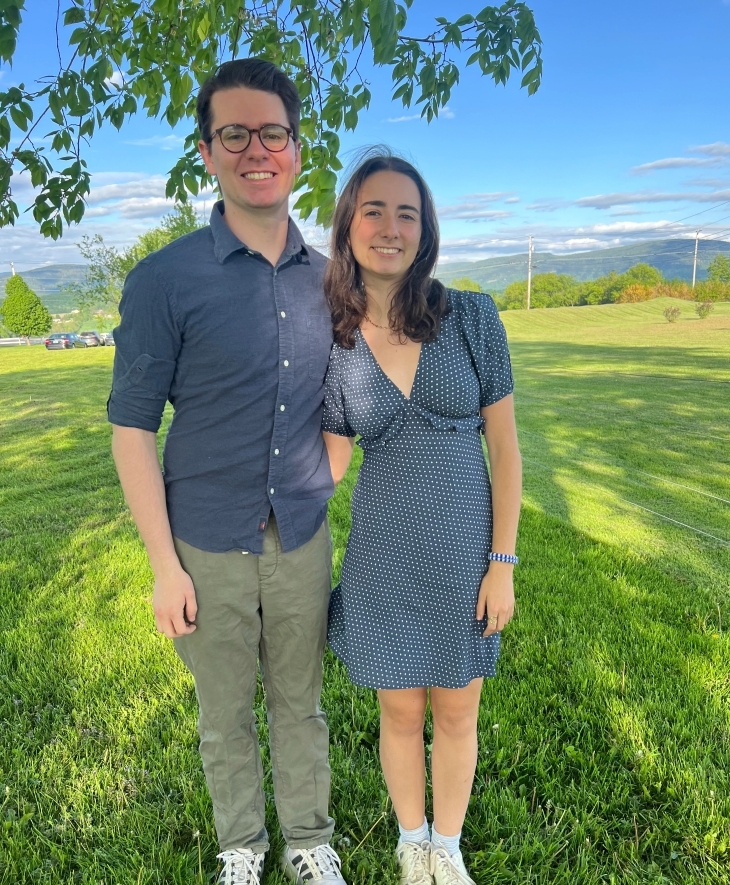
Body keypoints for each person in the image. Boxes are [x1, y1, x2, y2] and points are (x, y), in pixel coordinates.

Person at [107, 58, 347, 885]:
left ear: (296, 148)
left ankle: (310, 841)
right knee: (223, 716)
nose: (256, 149)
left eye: (271, 131)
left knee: (300, 705)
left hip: (302, 537)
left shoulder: (332, 281)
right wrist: (161, 563)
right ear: (207, 151)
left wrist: (328, 478)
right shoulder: (163, 280)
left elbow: (344, 402)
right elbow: (133, 428)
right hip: (203, 541)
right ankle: (242, 851)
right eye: (233, 133)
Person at [321, 152, 522, 885]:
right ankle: (412, 842)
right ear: (348, 226)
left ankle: (449, 845)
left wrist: (502, 563)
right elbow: (333, 459)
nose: (389, 226)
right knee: (401, 713)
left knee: (458, 712)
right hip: (384, 556)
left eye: (407, 213)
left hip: (467, 556)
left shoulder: (470, 315)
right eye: (373, 210)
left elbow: (504, 450)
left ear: (425, 229)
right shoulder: (335, 342)